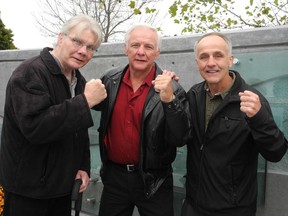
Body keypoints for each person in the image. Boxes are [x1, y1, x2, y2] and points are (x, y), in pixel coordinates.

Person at [0, 14, 107, 216]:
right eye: (77, 41)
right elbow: (36, 127)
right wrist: (84, 102)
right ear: (60, 38)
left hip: (61, 189)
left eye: (91, 47)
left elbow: (78, 130)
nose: (83, 51)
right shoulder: (30, 73)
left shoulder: (77, 79)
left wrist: (82, 166)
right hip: (28, 193)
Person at [180, 32, 288, 216]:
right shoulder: (194, 94)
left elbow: (276, 152)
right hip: (193, 204)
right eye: (204, 57)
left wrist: (259, 118)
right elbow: (180, 134)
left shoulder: (252, 100)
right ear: (197, 63)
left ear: (230, 60)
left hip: (233, 209)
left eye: (218, 55)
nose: (211, 62)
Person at [94, 23, 189, 216]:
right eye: (135, 45)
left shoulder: (173, 89)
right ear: (125, 48)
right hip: (114, 179)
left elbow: (180, 138)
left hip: (155, 181)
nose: (141, 52)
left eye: (148, 47)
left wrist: (169, 101)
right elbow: (89, 103)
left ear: (157, 53)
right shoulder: (110, 80)